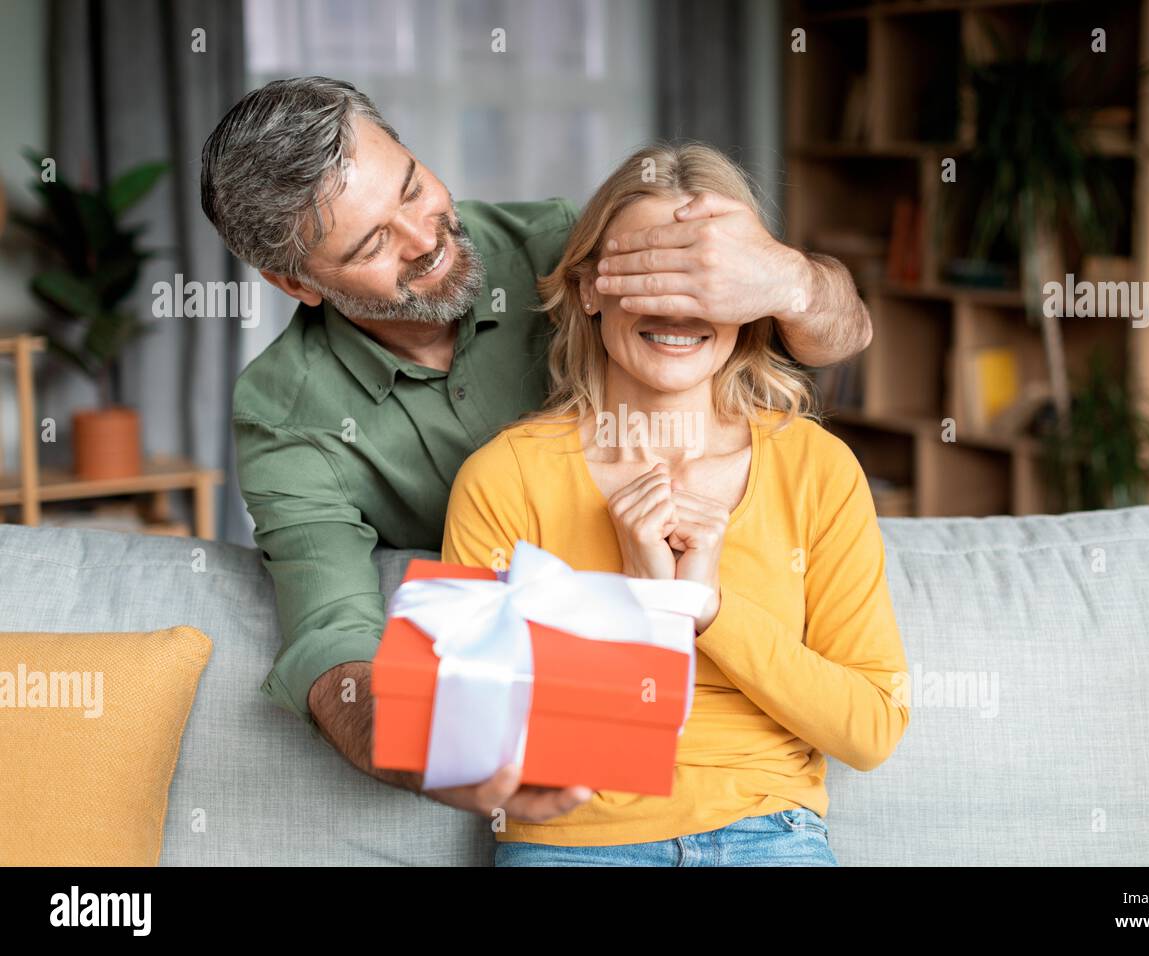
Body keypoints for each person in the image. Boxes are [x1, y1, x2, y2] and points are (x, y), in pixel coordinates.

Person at [201, 76, 876, 825]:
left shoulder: (572, 249)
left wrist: (793, 282)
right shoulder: (288, 415)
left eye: (413, 188)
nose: (424, 239)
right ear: (295, 282)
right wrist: (446, 753)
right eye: (372, 244)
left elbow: (832, 337)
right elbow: (332, 642)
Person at [441, 143, 909, 865]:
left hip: (771, 836)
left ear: (749, 298)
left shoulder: (817, 467)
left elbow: (872, 730)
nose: (676, 306)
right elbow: (470, 747)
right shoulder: (503, 477)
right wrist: (641, 609)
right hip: (578, 843)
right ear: (591, 287)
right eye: (649, 271)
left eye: (703, 278)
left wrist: (708, 612)